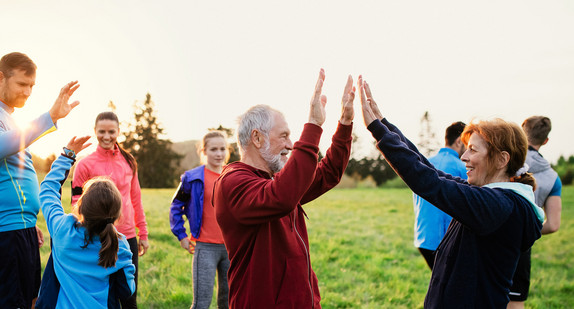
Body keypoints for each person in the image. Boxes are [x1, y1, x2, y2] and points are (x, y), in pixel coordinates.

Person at [358, 76, 543, 308]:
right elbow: (431, 171)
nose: (463, 157)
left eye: (473, 150)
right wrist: (384, 125)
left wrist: (376, 129)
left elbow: (429, 182)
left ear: (501, 159)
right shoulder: (493, 198)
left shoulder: (497, 206)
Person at [213, 69, 354, 308]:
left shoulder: (277, 181)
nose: (290, 145)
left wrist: (345, 123)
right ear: (257, 139)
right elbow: (281, 197)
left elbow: (327, 173)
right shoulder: (232, 183)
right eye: (284, 136)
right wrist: (312, 126)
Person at [0, 51, 80, 308]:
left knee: (29, 300)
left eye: (32, 86)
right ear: (1, 78)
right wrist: (51, 117)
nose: (28, 92)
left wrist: (27, 220)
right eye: (22, 84)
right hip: (6, 234)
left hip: (20, 229)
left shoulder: (9, 117)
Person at [35, 136, 136, 308]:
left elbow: (48, 190)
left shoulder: (63, 228)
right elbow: (126, 290)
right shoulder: (120, 245)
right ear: (117, 214)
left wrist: (67, 155)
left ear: (80, 206)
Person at [72, 111, 149, 308]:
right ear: (95, 131)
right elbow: (76, 203)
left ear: (118, 131)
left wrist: (143, 233)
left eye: (111, 132)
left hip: (127, 237)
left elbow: (136, 198)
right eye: (102, 131)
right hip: (98, 237)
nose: (106, 136)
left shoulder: (129, 161)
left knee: (129, 294)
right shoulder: (84, 164)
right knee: (103, 295)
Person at [170, 131, 231, 309]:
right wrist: (181, 235)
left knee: (228, 302)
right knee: (201, 303)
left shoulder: (233, 174)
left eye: (222, 149)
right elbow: (175, 206)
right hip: (204, 247)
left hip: (231, 247)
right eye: (213, 149)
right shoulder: (191, 177)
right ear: (203, 151)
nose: (219, 154)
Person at [507, 116, 563, 309]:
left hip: (489, 235)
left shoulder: (506, 158)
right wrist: (527, 230)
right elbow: (553, 224)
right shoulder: (553, 177)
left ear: (522, 133)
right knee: (515, 301)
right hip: (521, 246)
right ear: (546, 141)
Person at [413, 121, 467, 270]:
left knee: (440, 283)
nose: (468, 151)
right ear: (458, 141)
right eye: (468, 144)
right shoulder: (463, 168)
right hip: (446, 241)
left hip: (423, 238)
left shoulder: (425, 163)